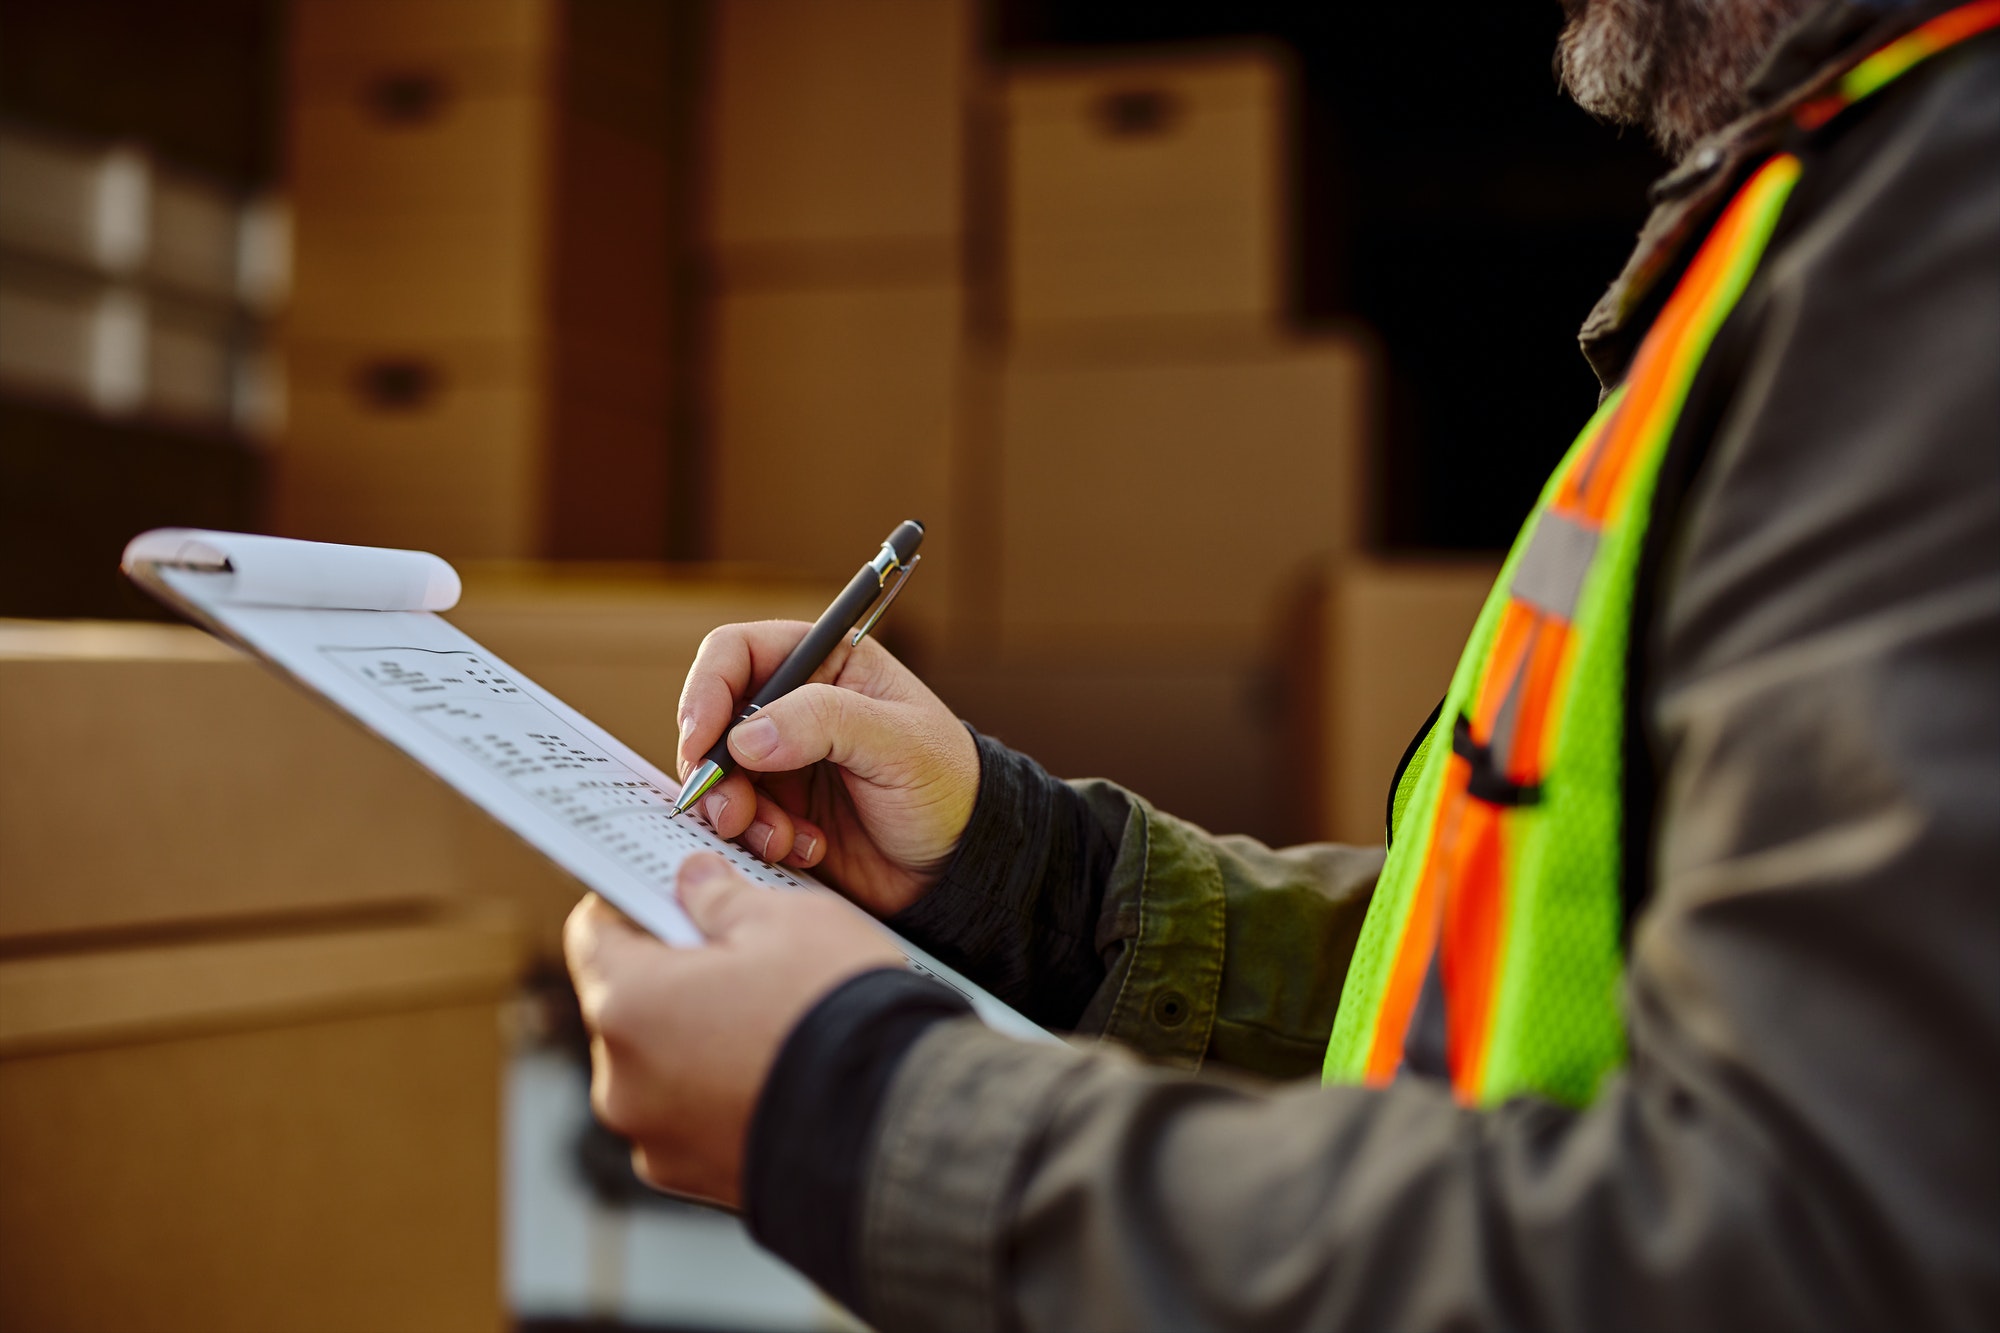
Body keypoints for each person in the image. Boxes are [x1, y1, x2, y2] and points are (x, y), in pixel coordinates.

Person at [563, 0, 2000, 1327]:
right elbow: (1504, 981)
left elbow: (1790, 1255)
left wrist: (869, 1116)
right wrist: (1025, 875)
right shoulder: (1838, 216)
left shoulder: (1943, 240)